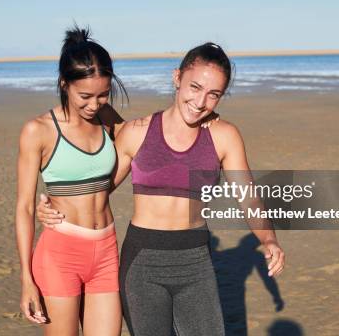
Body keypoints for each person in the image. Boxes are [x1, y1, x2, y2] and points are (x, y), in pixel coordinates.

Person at [38, 42, 285, 336]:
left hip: (196, 260)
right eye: (195, 87)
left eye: (213, 94)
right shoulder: (137, 132)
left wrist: (268, 238)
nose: (201, 101)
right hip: (142, 263)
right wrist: (54, 203)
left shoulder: (224, 136)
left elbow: (247, 196)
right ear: (177, 77)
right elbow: (97, 190)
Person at [15, 25, 128, 336]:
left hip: (106, 250)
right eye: (85, 96)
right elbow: (25, 207)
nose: (94, 104)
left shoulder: (107, 119)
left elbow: (140, 140)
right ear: (64, 84)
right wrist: (27, 280)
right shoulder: (38, 131)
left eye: (104, 95)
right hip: (60, 254)